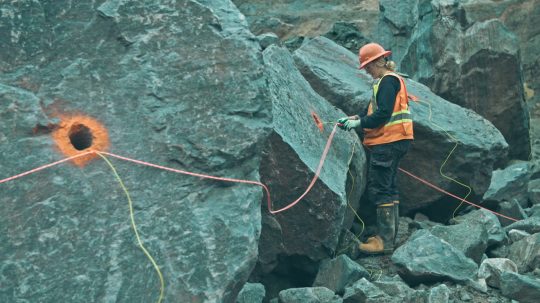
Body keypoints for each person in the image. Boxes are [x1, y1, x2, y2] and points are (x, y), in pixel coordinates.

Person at [338, 42, 413, 254]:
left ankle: (384, 243)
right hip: (397, 140)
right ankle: (388, 238)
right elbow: (374, 110)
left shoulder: (388, 81)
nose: (368, 71)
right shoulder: (388, 81)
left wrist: (358, 125)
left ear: (379, 61)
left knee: (380, 189)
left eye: (369, 66)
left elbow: (382, 115)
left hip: (388, 142)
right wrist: (357, 117)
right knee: (389, 187)